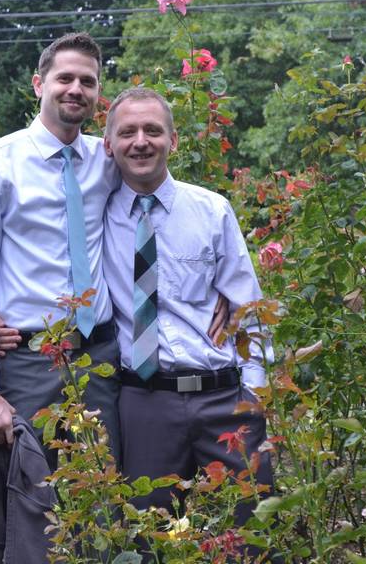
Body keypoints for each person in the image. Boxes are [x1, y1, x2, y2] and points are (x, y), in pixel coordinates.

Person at [101, 87, 273, 522]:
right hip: (144, 403)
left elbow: (249, 308)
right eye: (128, 132)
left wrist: (255, 396)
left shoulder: (211, 211)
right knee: (146, 537)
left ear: (173, 141)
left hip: (224, 400)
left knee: (256, 531)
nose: (141, 141)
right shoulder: (93, 218)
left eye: (153, 130)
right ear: (108, 145)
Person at [0, 32, 122, 462]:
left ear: (97, 93)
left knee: (106, 497)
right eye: (64, 78)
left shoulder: (110, 161)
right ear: (38, 84)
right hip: (29, 362)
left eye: (88, 82)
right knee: (31, 499)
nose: (76, 89)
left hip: (101, 357)